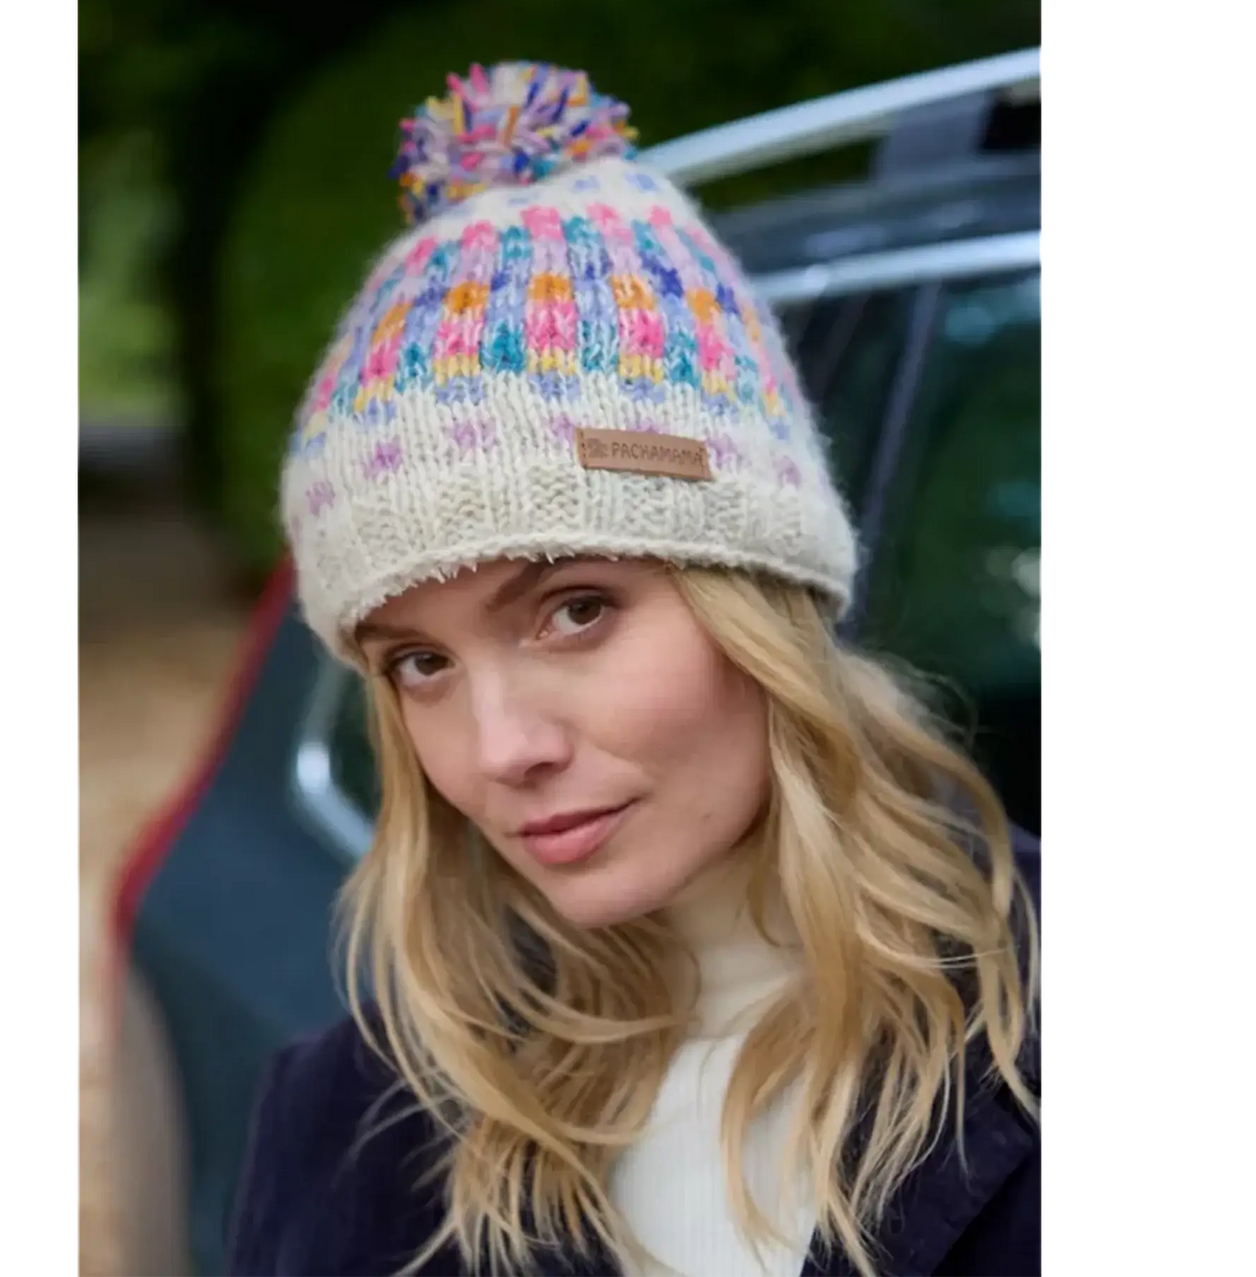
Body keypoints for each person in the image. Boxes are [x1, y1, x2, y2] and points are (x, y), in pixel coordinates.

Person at [230, 62, 1043, 1277]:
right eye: (417, 661)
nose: (502, 747)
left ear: (758, 598)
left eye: (573, 608)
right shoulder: (350, 1130)